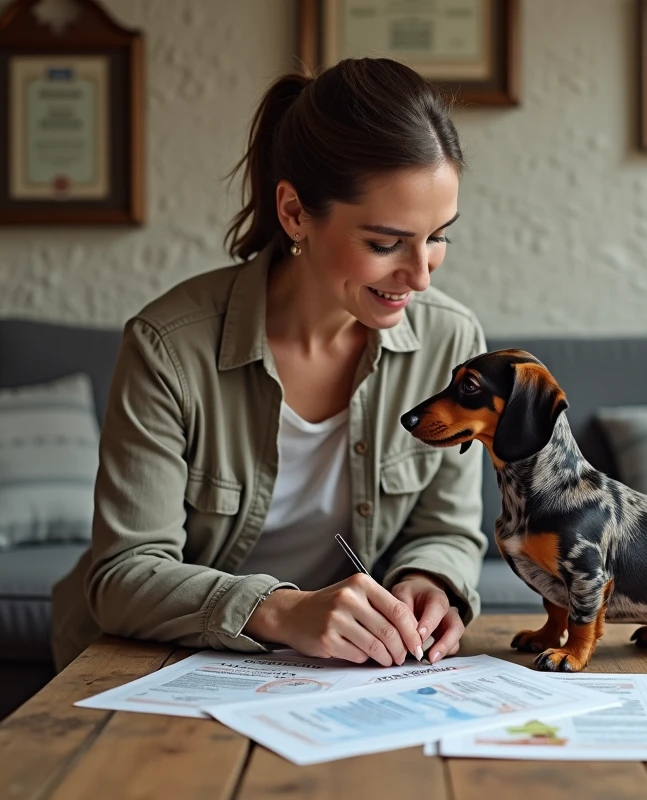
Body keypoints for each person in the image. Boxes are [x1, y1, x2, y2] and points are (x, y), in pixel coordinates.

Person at [50, 57, 488, 673]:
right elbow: (123, 575)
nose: (419, 275)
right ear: (293, 213)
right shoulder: (169, 347)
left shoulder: (450, 340)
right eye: (385, 243)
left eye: (439, 235)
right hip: (159, 662)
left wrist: (430, 581)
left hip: (340, 674)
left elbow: (448, 528)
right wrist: (280, 610)